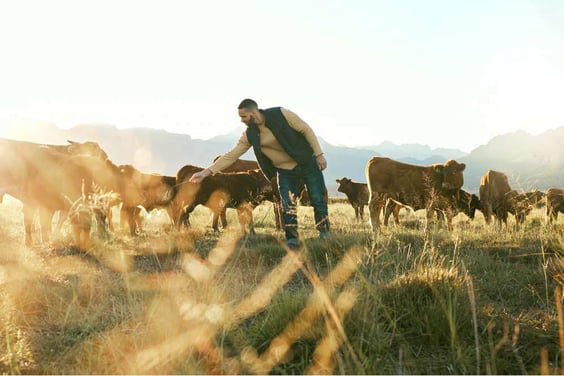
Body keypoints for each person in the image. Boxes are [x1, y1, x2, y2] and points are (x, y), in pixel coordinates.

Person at [189, 98, 330, 249]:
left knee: (317, 199)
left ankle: (324, 235)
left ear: (253, 113)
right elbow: (232, 155)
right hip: (284, 171)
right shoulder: (250, 135)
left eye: (244, 117)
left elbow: (305, 129)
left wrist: (319, 154)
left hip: (307, 163)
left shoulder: (281, 114)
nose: (242, 121)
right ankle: (292, 240)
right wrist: (206, 172)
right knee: (287, 205)